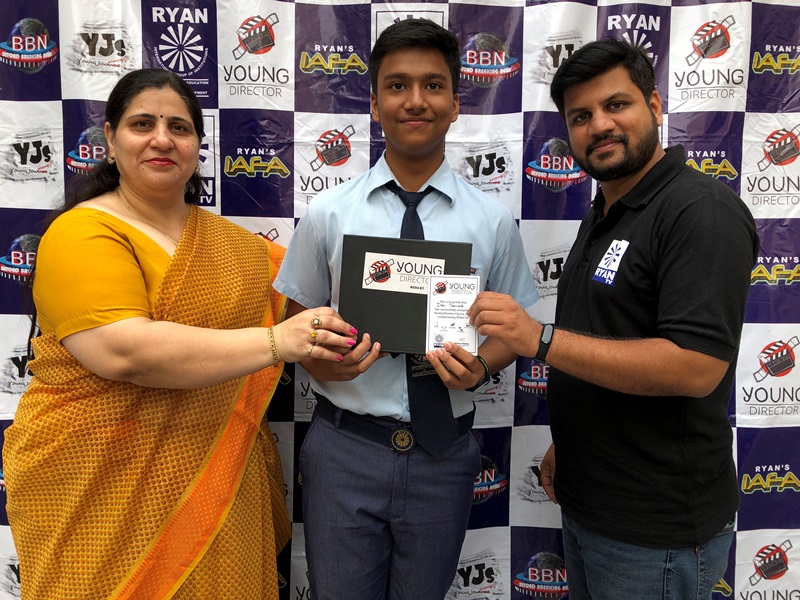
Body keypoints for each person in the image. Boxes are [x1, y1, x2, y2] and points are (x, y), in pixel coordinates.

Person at [3, 68, 358, 600]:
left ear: (197, 146)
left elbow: (316, 304)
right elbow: (124, 352)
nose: (162, 139)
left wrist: (411, 313)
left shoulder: (238, 248)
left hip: (216, 489)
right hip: (99, 496)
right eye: (142, 124)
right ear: (110, 139)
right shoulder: (80, 232)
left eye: (179, 127)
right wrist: (276, 343)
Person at [468, 38, 759, 599]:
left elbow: (695, 366)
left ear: (655, 105)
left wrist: (538, 339)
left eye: (616, 105)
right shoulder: (607, 209)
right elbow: (608, 335)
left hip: (655, 531)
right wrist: (573, 444)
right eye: (580, 116)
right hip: (591, 505)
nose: (599, 125)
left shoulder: (699, 211)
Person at [273, 18, 538, 600]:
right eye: (397, 86)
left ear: (456, 103)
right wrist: (321, 361)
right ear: (374, 104)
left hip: (445, 452)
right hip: (344, 449)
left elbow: (512, 331)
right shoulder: (328, 213)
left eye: (433, 85)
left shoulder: (492, 221)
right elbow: (293, 321)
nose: (415, 100)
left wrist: (482, 366)